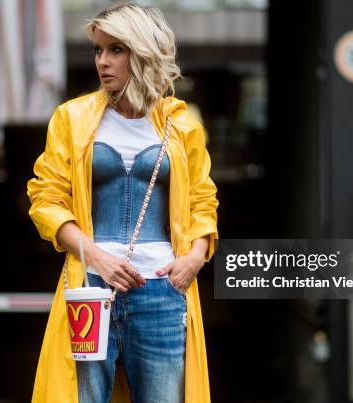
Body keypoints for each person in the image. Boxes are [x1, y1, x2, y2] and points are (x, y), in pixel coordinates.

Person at [27, 4, 218, 403]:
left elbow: (203, 198)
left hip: (163, 289)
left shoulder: (181, 125)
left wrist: (196, 256)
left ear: (143, 52)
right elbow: (46, 197)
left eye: (116, 50)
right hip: (91, 290)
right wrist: (97, 259)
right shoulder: (72, 118)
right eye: (98, 50)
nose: (102, 61)